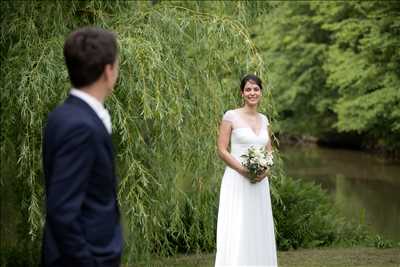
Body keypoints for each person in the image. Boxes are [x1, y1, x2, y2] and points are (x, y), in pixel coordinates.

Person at [42, 27, 123, 267]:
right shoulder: (81, 127)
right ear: (108, 71)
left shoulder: (62, 116)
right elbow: (62, 210)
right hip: (86, 258)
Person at [215, 74, 278, 266]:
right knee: (238, 225)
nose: (252, 93)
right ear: (242, 93)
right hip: (237, 180)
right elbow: (222, 149)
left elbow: (269, 152)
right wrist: (243, 170)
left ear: (261, 92)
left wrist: (265, 171)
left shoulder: (265, 119)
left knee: (257, 226)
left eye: (256, 89)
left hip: (259, 182)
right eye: (248, 89)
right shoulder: (231, 116)